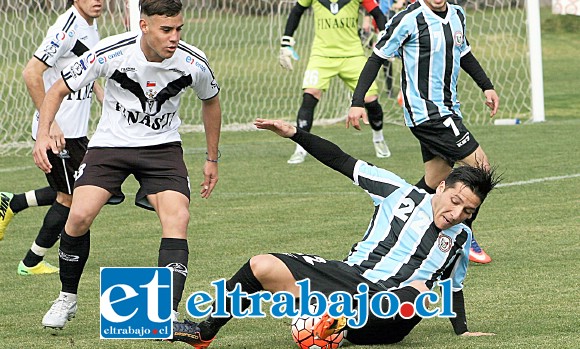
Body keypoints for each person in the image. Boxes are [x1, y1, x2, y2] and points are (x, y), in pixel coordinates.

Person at [168, 118, 500, 348]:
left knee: (419, 286)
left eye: (468, 211)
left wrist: (463, 331)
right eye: (455, 202)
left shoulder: (459, 238)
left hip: (392, 315)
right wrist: (295, 133)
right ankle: (204, 332)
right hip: (350, 281)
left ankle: (329, 319)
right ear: (441, 186)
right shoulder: (397, 192)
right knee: (262, 265)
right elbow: (341, 160)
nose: (456, 214)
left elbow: (453, 286)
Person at [32, 0, 221, 331]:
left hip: (162, 149)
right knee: (78, 215)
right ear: (144, 26)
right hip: (111, 146)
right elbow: (58, 88)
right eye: (166, 30)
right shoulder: (111, 51)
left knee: (178, 217)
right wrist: (43, 135)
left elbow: (211, 102)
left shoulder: (194, 62)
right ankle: (67, 298)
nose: (174, 37)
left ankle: (167, 312)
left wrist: (211, 158)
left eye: (179, 29)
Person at [346, 0, 499, 264]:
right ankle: (462, 236)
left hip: (449, 110)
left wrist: (486, 85)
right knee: (481, 170)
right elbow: (377, 58)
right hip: (427, 113)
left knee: (435, 179)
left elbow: (464, 54)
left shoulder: (457, 15)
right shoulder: (408, 19)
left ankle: (397, 229)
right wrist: (358, 101)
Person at [0, 0, 104, 277]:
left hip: (76, 132)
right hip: (59, 133)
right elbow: (31, 72)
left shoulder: (90, 27)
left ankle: (14, 202)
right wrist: (51, 124)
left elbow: (85, 67)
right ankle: (31, 262)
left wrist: (104, 95)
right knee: (72, 197)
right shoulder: (65, 29)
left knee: (87, 189)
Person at [279, 0, 391, 164]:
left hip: (352, 55)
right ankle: (300, 148)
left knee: (370, 100)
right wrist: (286, 41)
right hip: (321, 55)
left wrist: (384, 33)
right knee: (309, 96)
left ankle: (378, 138)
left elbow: (378, 13)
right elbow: (297, 11)